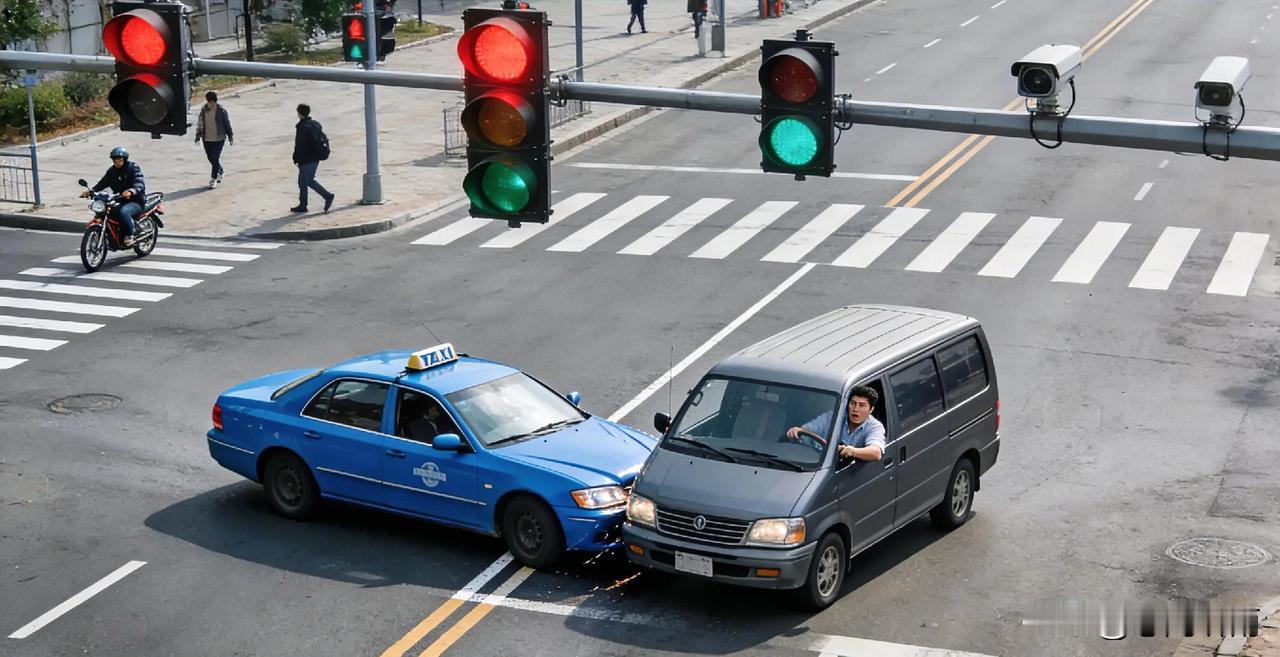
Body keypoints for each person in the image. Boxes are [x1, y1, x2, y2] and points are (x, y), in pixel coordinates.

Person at [785, 385, 885, 461]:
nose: (855, 409)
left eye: (862, 405)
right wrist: (798, 430)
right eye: (852, 403)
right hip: (818, 461)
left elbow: (876, 453)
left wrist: (852, 451)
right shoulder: (833, 416)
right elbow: (810, 428)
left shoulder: (875, 427)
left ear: (871, 409)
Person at [82, 146, 145, 247]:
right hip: (121, 199)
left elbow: (139, 182)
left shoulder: (133, 167)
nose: (117, 161)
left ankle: (129, 235)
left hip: (136, 200)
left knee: (123, 212)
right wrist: (91, 191)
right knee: (109, 211)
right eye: (115, 159)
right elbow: (103, 183)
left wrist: (131, 191)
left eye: (120, 159)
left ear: (124, 159)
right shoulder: (112, 171)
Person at [291, 103, 335, 214]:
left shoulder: (302, 127)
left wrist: (296, 158)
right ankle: (305, 204)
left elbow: (300, 145)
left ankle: (323, 197)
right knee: (306, 182)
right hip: (315, 157)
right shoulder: (315, 124)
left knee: (304, 182)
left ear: (299, 113)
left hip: (306, 159)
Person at [194, 91, 234, 189]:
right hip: (207, 138)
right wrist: (198, 136)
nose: (210, 104)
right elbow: (200, 123)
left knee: (215, 158)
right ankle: (220, 171)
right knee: (210, 157)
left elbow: (227, 124)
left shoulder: (221, 111)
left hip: (219, 138)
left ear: (215, 101)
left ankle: (213, 178)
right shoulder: (204, 110)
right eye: (209, 102)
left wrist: (230, 136)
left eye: (212, 102)